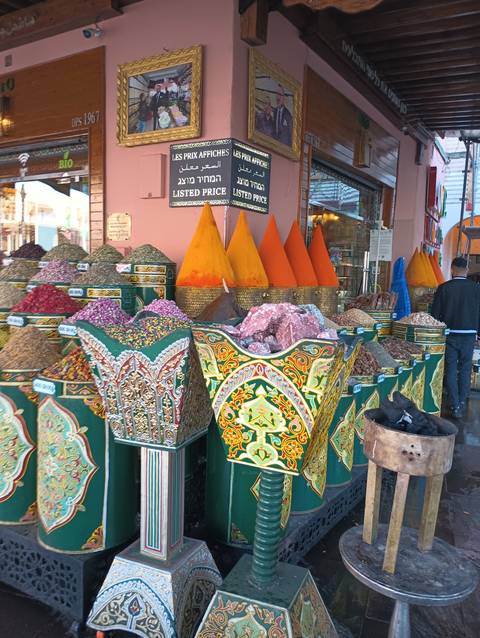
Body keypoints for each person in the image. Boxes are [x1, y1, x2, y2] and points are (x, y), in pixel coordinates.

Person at [431, 256, 480, 418]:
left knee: (451, 368)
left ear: (452, 269)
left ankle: (454, 404)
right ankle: (462, 401)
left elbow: (435, 314)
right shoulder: (475, 288)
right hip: (469, 334)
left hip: (450, 334)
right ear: (466, 270)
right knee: (465, 368)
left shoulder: (444, 288)